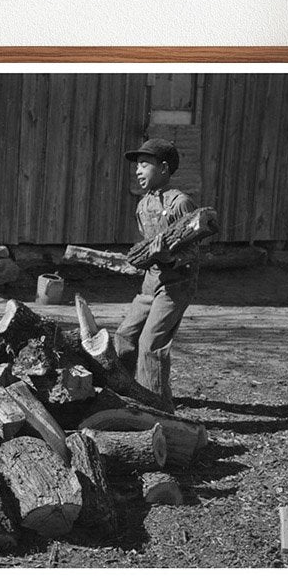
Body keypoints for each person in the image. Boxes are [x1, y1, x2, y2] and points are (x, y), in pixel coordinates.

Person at [114, 137, 200, 411]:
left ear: (164, 168)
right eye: (136, 166)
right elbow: (146, 246)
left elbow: (194, 252)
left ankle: (158, 409)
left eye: (144, 164)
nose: (138, 170)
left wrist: (171, 258)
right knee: (125, 336)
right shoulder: (143, 205)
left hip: (177, 283)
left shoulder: (181, 203)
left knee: (151, 344)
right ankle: (125, 394)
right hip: (150, 282)